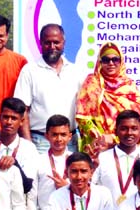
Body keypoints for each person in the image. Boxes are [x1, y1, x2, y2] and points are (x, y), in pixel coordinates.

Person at [14, 24, 87, 153]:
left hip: (70, 141)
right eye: (47, 43)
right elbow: (22, 110)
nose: (52, 47)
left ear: (63, 43)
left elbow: (84, 109)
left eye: (56, 42)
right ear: (40, 43)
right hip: (40, 142)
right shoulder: (30, 71)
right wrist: (28, 144)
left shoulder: (76, 71)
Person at [75, 42, 140, 155]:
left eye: (115, 59)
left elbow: (137, 119)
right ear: (100, 62)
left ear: (121, 61)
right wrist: (100, 137)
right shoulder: (91, 83)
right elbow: (83, 118)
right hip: (97, 145)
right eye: (106, 60)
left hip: (124, 143)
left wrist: (115, 138)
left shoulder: (130, 86)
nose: (111, 63)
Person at [92, 110, 140, 205]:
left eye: (134, 128)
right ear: (116, 131)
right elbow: (91, 186)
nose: (129, 133)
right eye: (124, 129)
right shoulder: (102, 158)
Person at [35, 115, 72, 210]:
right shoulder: (38, 161)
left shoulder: (76, 160)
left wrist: (66, 186)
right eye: (54, 134)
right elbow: (32, 197)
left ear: (70, 136)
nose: (59, 139)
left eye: (63, 134)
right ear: (46, 136)